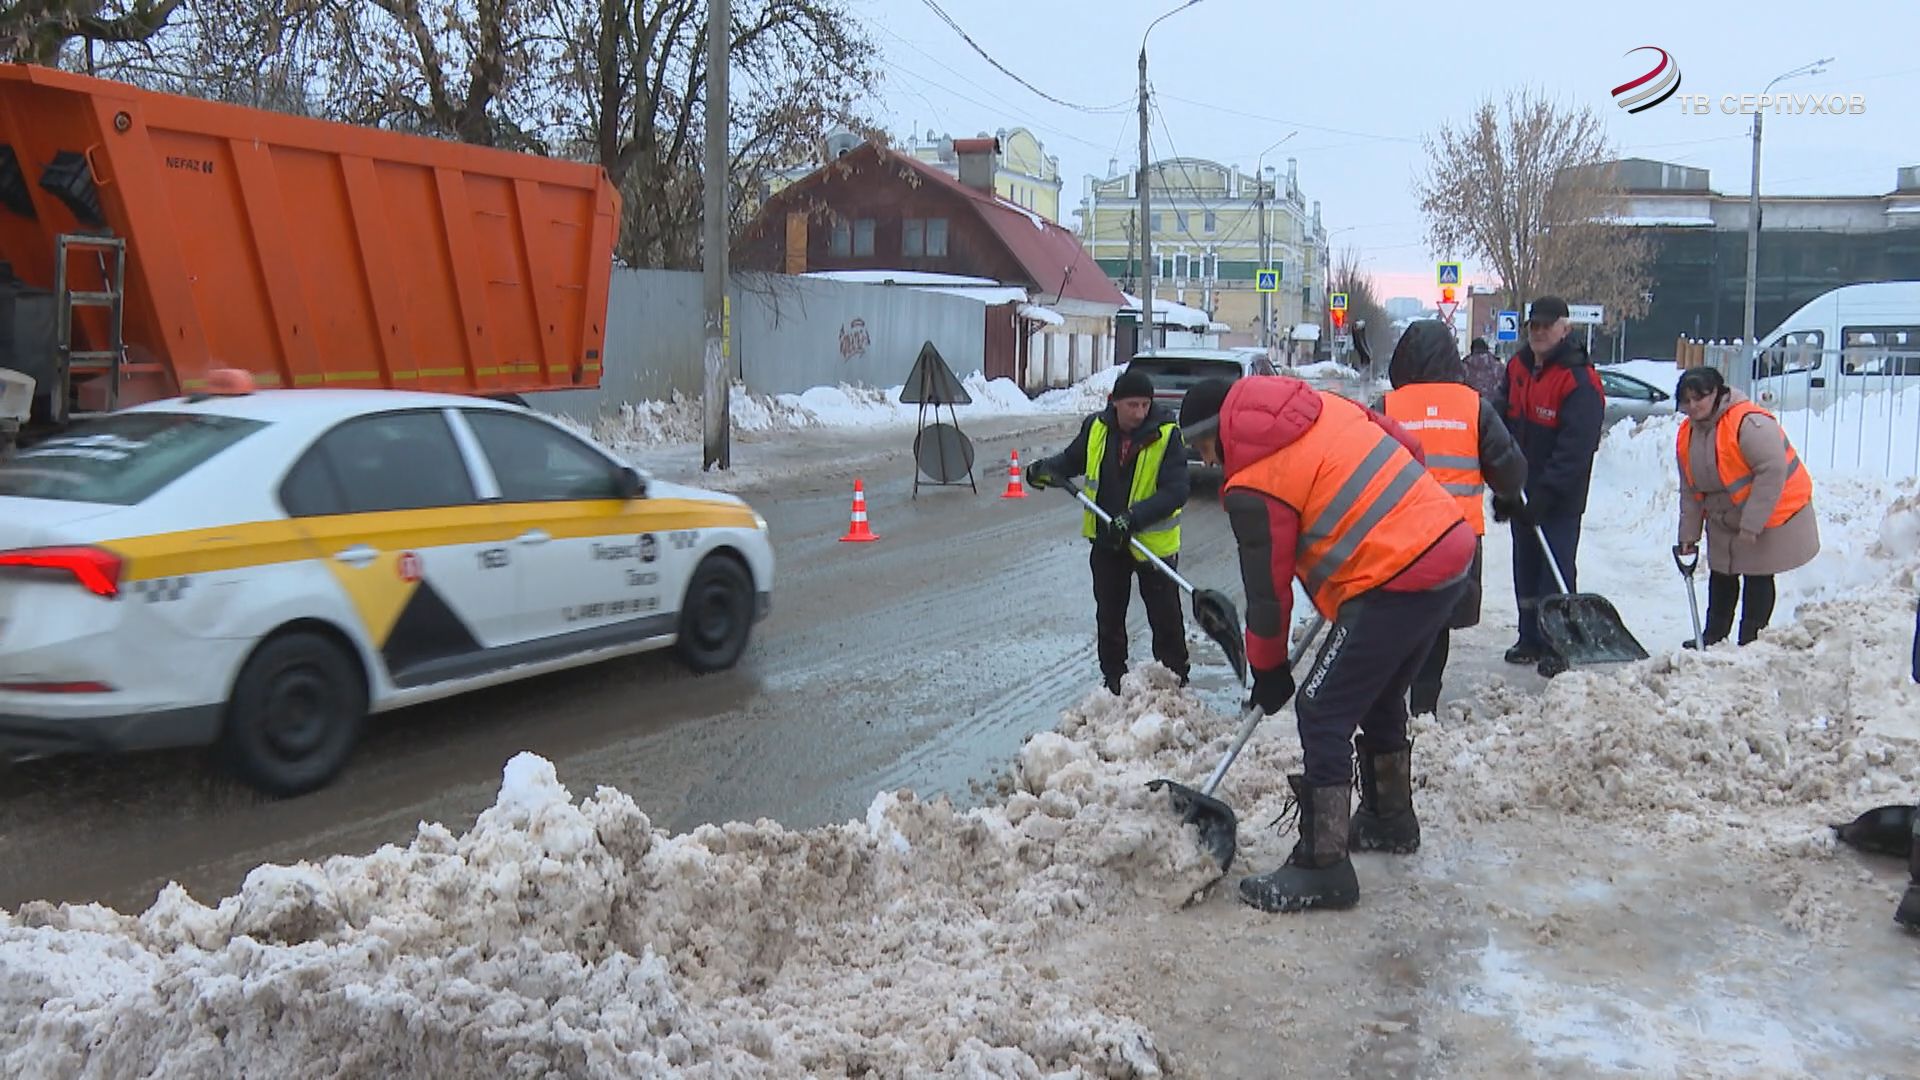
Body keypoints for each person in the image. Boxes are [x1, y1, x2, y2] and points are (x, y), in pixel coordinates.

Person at [1178, 374, 1474, 914]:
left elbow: (1267, 593)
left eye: (1202, 448)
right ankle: (1389, 819)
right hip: (1449, 545)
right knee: (1379, 690)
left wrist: (1268, 671)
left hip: (1396, 573)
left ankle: (1324, 865)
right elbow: (1409, 447)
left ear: (1218, 432)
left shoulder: (1254, 480)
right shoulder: (1321, 406)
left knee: (1321, 707)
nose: (1209, 462)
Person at [1380, 321, 1528, 715]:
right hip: (1455, 540)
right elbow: (1510, 468)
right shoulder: (1473, 407)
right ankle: (1424, 706)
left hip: (1397, 538)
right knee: (1437, 622)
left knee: (1395, 620)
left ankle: (1391, 706)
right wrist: (1507, 494)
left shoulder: (1387, 407)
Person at [1027, 369, 1191, 694]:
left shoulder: (1167, 434)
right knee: (1110, 615)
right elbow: (1072, 460)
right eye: (1132, 405)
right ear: (1114, 402)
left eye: (1145, 405)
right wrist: (1045, 468)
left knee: (1165, 617)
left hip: (1151, 545)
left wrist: (1133, 517)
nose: (1139, 412)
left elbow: (1176, 491)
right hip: (1107, 540)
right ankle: (1114, 679)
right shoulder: (1097, 428)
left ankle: (1175, 680)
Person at [1496, 296, 1605, 678]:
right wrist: (1502, 483)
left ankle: (1559, 643)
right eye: (1534, 326)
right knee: (1524, 568)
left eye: (1547, 325)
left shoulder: (1578, 379)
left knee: (1554, 569)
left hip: (1559, 497)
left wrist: (1547, 493)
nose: (1539, 332)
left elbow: (1576, 447)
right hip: (1521, 490)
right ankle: (1529, 638)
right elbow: (1501, 424)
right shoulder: (1517, 368)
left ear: (1565, 327)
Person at [1673, 366, 1819, 647]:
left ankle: (1752, 640)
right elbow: (1690, 489)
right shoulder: (1687, 433)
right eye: (1686, 400)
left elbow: (1772, 471)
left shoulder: (1748, 422)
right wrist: (1688, 535)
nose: (1692, 406)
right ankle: (1714, 634)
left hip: (1771, 510)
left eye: (1699, 398)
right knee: (1722, 572)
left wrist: (1752, 524)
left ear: (1716, 393)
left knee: (1758, 573)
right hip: (1724, 515)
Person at [1462, 337, 1505, 401]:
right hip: (1494, 406)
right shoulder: (1498, 365)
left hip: (1471, 405)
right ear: (1486, 348)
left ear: (1472, 349)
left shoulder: (1464, 366)